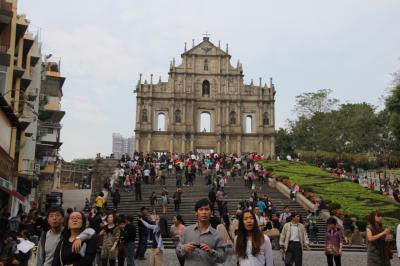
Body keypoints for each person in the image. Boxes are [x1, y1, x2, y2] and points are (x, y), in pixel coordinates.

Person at [176, 198, 225, 266]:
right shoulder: (186, 231)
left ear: (211, 212)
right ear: (196, 212)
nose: (204, 212)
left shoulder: (217, 235)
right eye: (201, 209)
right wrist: (184, 248)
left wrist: (211, 251)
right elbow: (178, 251)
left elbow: (222, 258)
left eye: (207, 209)